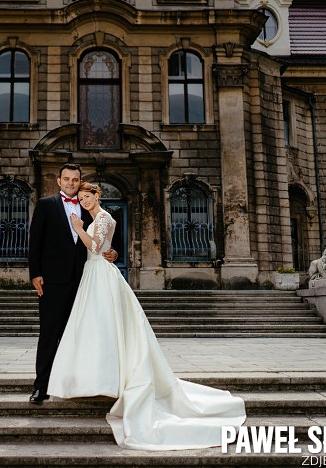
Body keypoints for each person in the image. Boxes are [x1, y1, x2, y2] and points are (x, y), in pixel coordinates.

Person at [47, 181, 247, 450]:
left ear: (98, 196)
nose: (84, 201)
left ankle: (109, 380)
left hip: (100, 275)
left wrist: (80, 229)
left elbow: (95, 248)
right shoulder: (96, 218)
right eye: (81, 198)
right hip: (93, 274)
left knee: (105, 325)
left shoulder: (103, 217)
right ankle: (93, 379)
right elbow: (105, 248)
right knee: (94, 328)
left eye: (88, 196)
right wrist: (100, 241)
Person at [27, 164, 116, 405]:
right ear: (58, 181)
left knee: (78, 335)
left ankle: (74, 384)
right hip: (52, 281)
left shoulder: (88, 208)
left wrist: (112, 253)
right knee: (49, 334)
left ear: (80, 182)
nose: (70, 183)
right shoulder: (46, 205)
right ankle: (41, 387)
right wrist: (35, 274)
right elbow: (35, 241)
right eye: (66, 179)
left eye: (75, 180)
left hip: (84, 281)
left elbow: (100, 239)